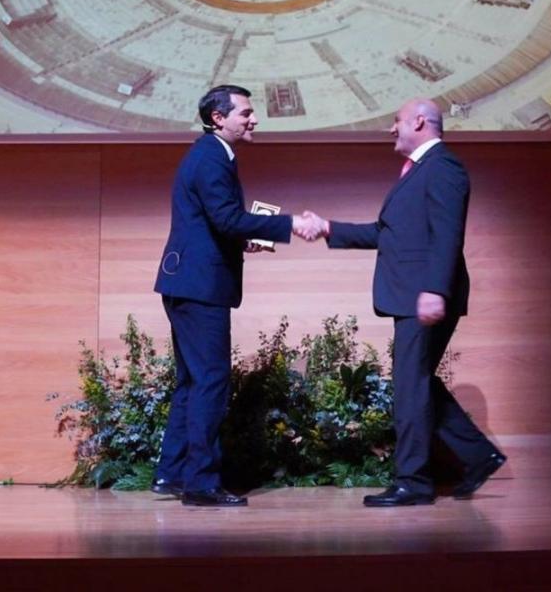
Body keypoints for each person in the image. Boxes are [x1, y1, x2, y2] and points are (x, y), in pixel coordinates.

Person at [301, 99, 505, 506]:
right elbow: (387, 233)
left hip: (423, 296)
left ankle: (414, 482)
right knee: (417, 384)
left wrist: (435, 289)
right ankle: (479, 456)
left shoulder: (443, 168)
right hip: (412, 295)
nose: (391, 130)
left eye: (395, 122)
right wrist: (328, 229)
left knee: (410, 388)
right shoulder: (419, 172)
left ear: (418, 122)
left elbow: (449, 235)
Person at [153, 84, 318, 507]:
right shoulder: (211, 157)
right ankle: (201, 484)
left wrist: (240, 240)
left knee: (192, 382)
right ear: (217, 118)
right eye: (245, 112)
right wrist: (288, 225)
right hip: (199, 287)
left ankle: (172, 474)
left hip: (187, 283)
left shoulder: (210, 155)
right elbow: (227, 219)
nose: (253, 118)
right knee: (210, 381)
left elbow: (215, 224)